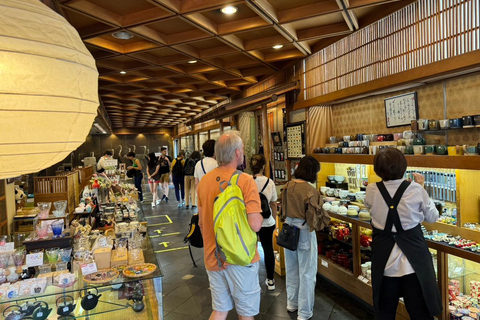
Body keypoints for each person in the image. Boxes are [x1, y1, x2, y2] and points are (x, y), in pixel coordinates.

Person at [365, 148, 442, 320]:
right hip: (414, 264)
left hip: (385, 263)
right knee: (420, 314)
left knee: (384, 314)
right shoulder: (415, 189)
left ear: (378, 169)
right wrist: (421, 189)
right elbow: (433, 217)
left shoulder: (371, 190)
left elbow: (371, 209)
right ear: (403, 166)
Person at [197, 131, 263, 320]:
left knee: (220, 309)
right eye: (241, 149)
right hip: (240, 258)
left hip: (213, 256)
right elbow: (256, 225)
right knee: (246, 314)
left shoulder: (204, 182)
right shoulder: (245, 181)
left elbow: (202, 222)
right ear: (237, 153)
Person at [280, 156, 330, 320]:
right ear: (312, 172)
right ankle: (305, 312)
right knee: (307, 272)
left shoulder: (287, 186)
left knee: (292, 269)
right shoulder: (310, 191)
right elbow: (314, 219)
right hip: (304, 233)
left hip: (288, 231)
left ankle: (291, 304)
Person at [250, 154, 278, 290]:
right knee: (268, 249)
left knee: (251, 249)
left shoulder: (247, 181)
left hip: (250, 221)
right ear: (264, 166)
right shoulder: (270, 182)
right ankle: (271, 281)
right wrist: (275, 219)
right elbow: (273, 204)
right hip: (267, 221)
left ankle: (253, 280)